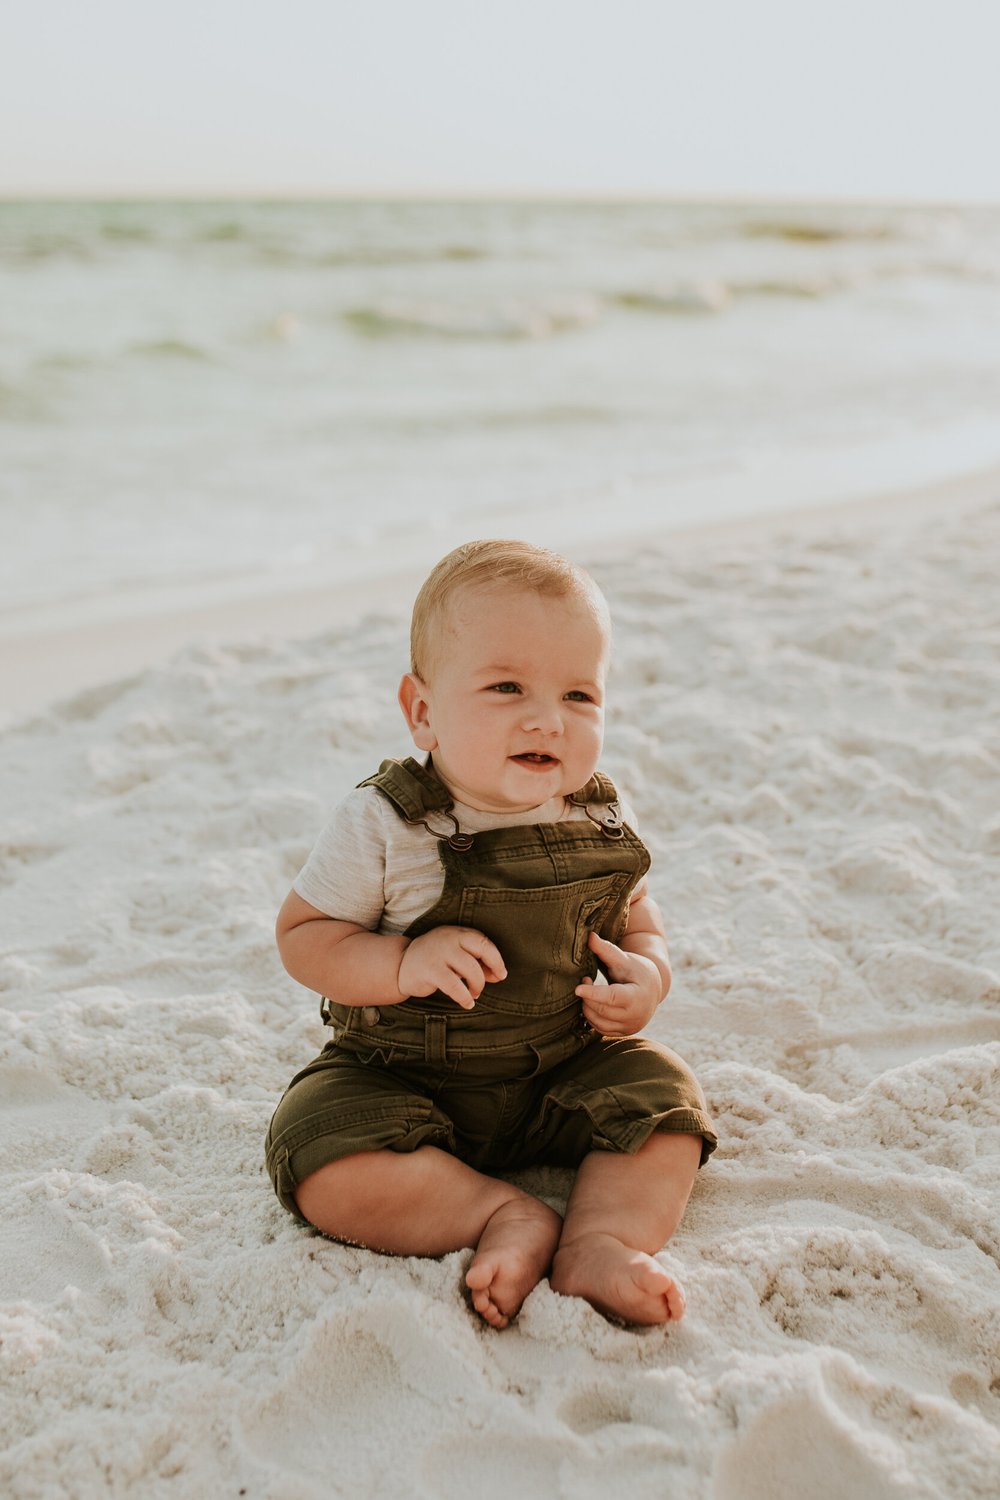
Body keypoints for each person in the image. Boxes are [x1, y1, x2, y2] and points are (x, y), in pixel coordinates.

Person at [265, 539, 717, 1329]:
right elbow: (304, 936)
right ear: (423, 712)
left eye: (580, 695)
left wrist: (648, 976)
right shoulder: (388, 822)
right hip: (400, 1077)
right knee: (316, 1149)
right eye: (507, 686)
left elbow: (638, 917)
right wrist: (401, 962)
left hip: (559, 1073)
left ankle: (598, 1241)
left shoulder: (598, 814)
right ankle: (501, 1214)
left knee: (667, 1102)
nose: (548, 717)